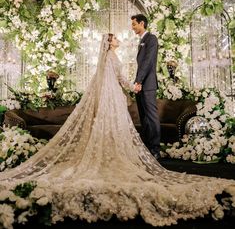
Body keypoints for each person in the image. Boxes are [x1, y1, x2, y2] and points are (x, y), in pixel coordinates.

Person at [0, 33, 234, 227]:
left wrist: (131, 85)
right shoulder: (112, 56)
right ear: (110, 43)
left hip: (109, 97)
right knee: (116, 127)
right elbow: (121, 77)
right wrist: (133, 86)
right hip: (114, 95)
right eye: (115, 38)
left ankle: (107, 150)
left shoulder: (107, 58)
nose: (118, 40)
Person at [131, 14, 161, 159]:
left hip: (147, 84)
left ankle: (155, 149)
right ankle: (148, 148)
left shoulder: (151, 39)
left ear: (142, 23)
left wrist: (139, 81)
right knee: (144, 118)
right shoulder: (142, 41)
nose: (133, 27)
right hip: (141, 85)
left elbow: (148, 62)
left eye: (134, 24)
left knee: (151, 117)